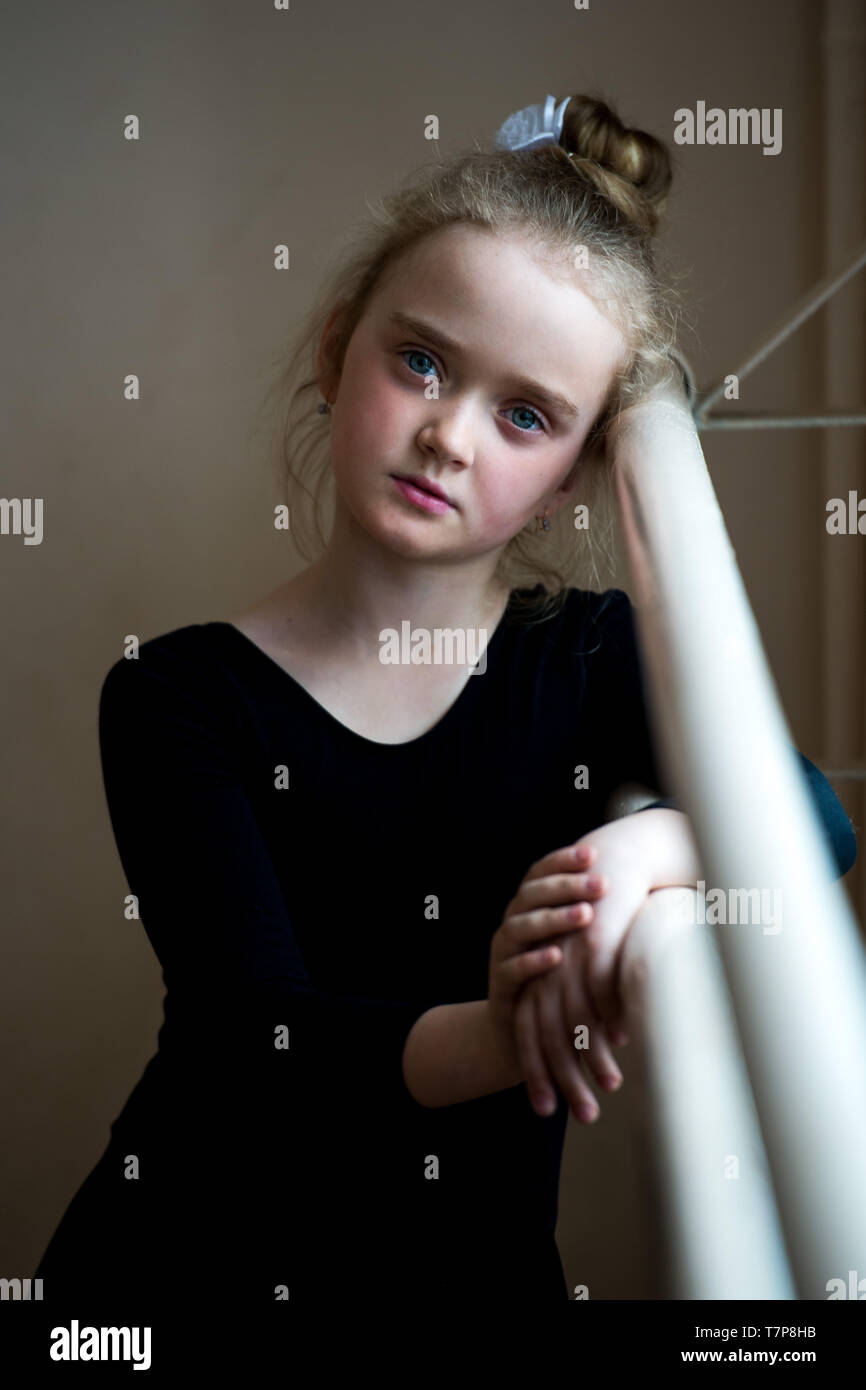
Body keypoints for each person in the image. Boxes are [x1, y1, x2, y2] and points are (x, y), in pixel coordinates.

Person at [34, 92, 857, 1323]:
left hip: (470, 1275)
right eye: (420, 360)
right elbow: (261, 1046)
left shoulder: (585, 661)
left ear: (570, 473)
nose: (446, 436)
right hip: (176, 1278)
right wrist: (520, 1024)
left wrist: (645, 846)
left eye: (522, 414)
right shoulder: (176, 698)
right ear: (333, 347)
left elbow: (804, 820)